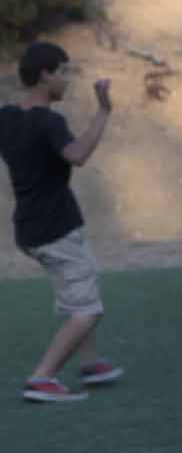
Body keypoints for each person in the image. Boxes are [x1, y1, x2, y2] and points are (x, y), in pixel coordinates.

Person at [1, 43, 122, 402]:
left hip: (31, 228)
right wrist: (103, 112)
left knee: (79, 288)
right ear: (45, 76)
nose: (68, 80)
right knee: (87, 309)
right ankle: (42, 378)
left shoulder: (6, 116)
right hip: (56, 228)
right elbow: (78, 155)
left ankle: (90, 363)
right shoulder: (49, 122)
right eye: (63, 72)